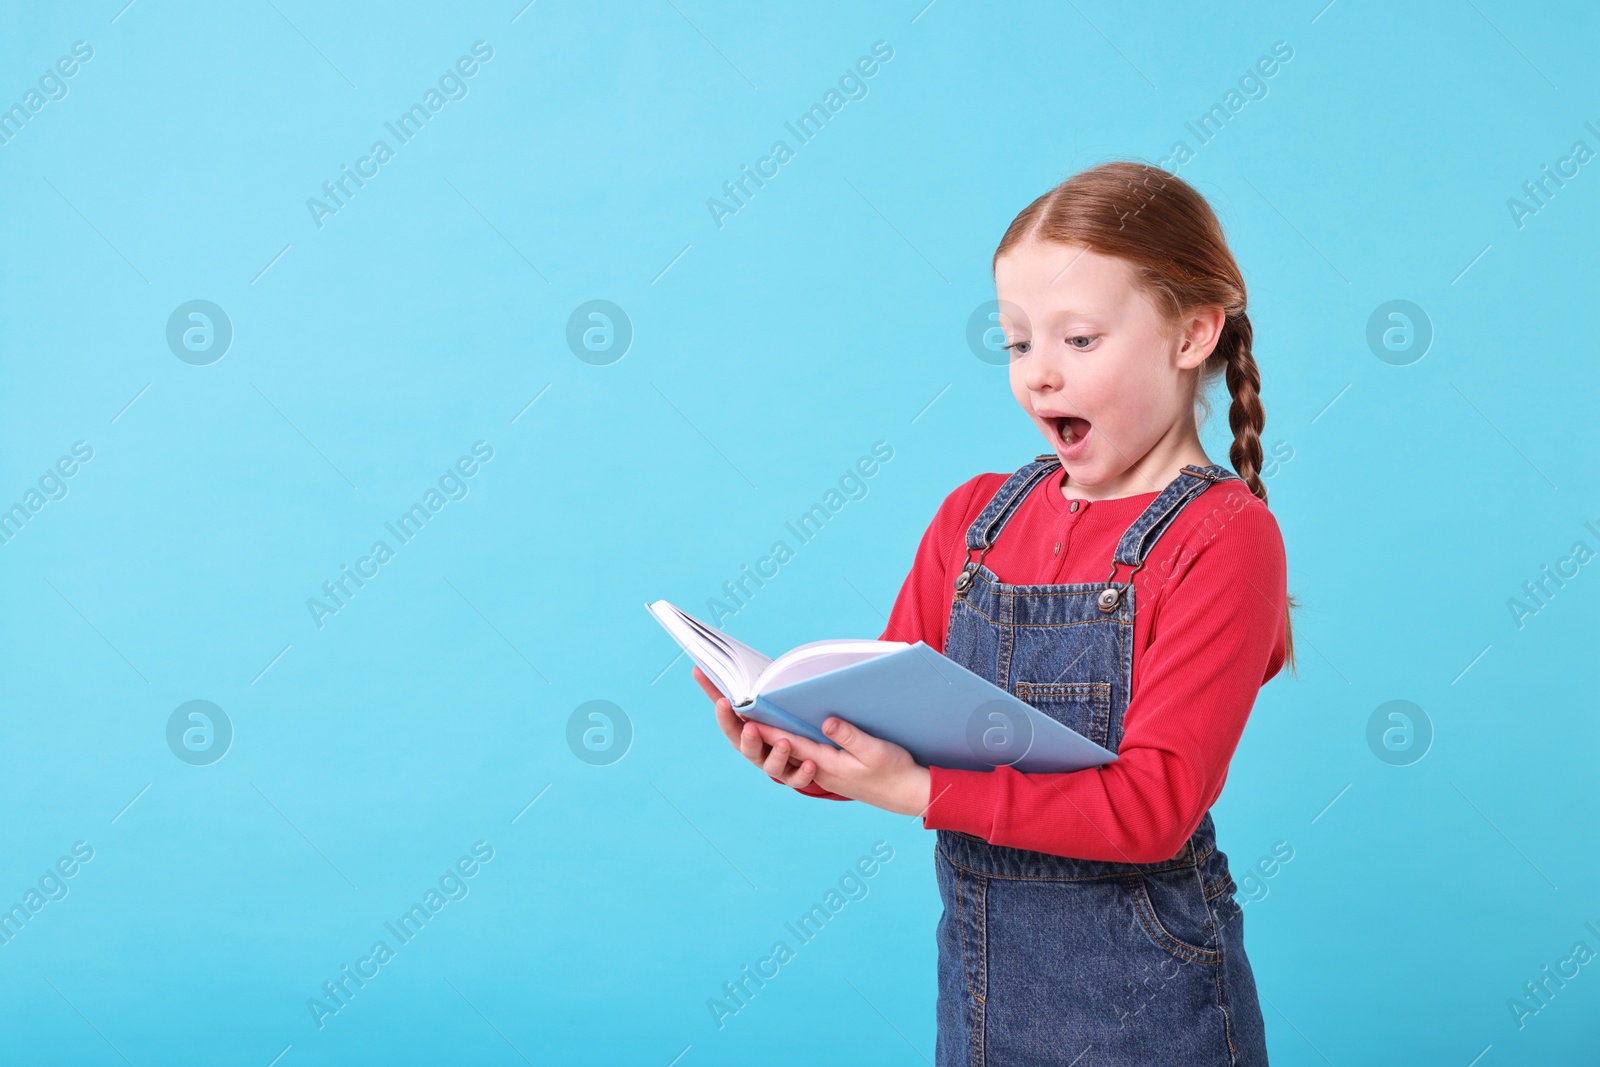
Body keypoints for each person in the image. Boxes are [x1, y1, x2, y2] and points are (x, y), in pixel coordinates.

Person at [693, 160, 1295, 1065]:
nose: (1041, 374)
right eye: (1017, 343)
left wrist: (915, 792)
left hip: (1152, 1007)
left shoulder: (1223, 537)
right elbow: (894, 725)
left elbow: (1152, 809)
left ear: (1193, 333)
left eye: (1080, 339)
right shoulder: (973, 519)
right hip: (982, 996)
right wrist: (808, 752)